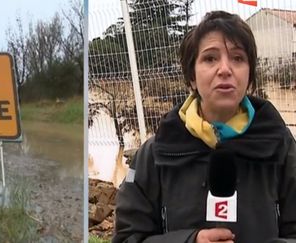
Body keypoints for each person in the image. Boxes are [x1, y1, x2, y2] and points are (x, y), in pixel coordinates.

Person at [113, 10, 296, 243]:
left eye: (238, 58)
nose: (225, 69)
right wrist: (190, 240)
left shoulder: (282, 148)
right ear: (192, 76)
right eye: (210, 58)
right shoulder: (154, 155)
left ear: (250, 76)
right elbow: (128, 237)